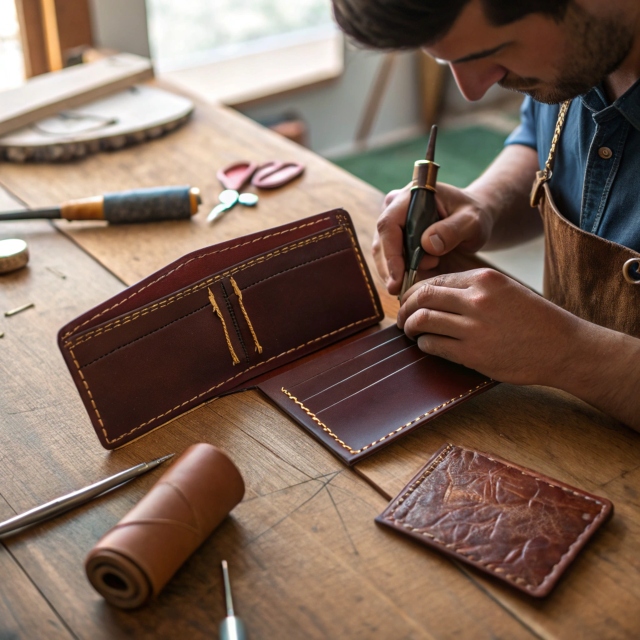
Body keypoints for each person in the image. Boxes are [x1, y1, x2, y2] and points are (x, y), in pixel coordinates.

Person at [331, 0, 640, 430]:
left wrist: (567, 354)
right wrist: (483, 205)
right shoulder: (575, 51)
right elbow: (542, 138)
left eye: (491, 51)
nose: (473, 91)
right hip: (564, 422)